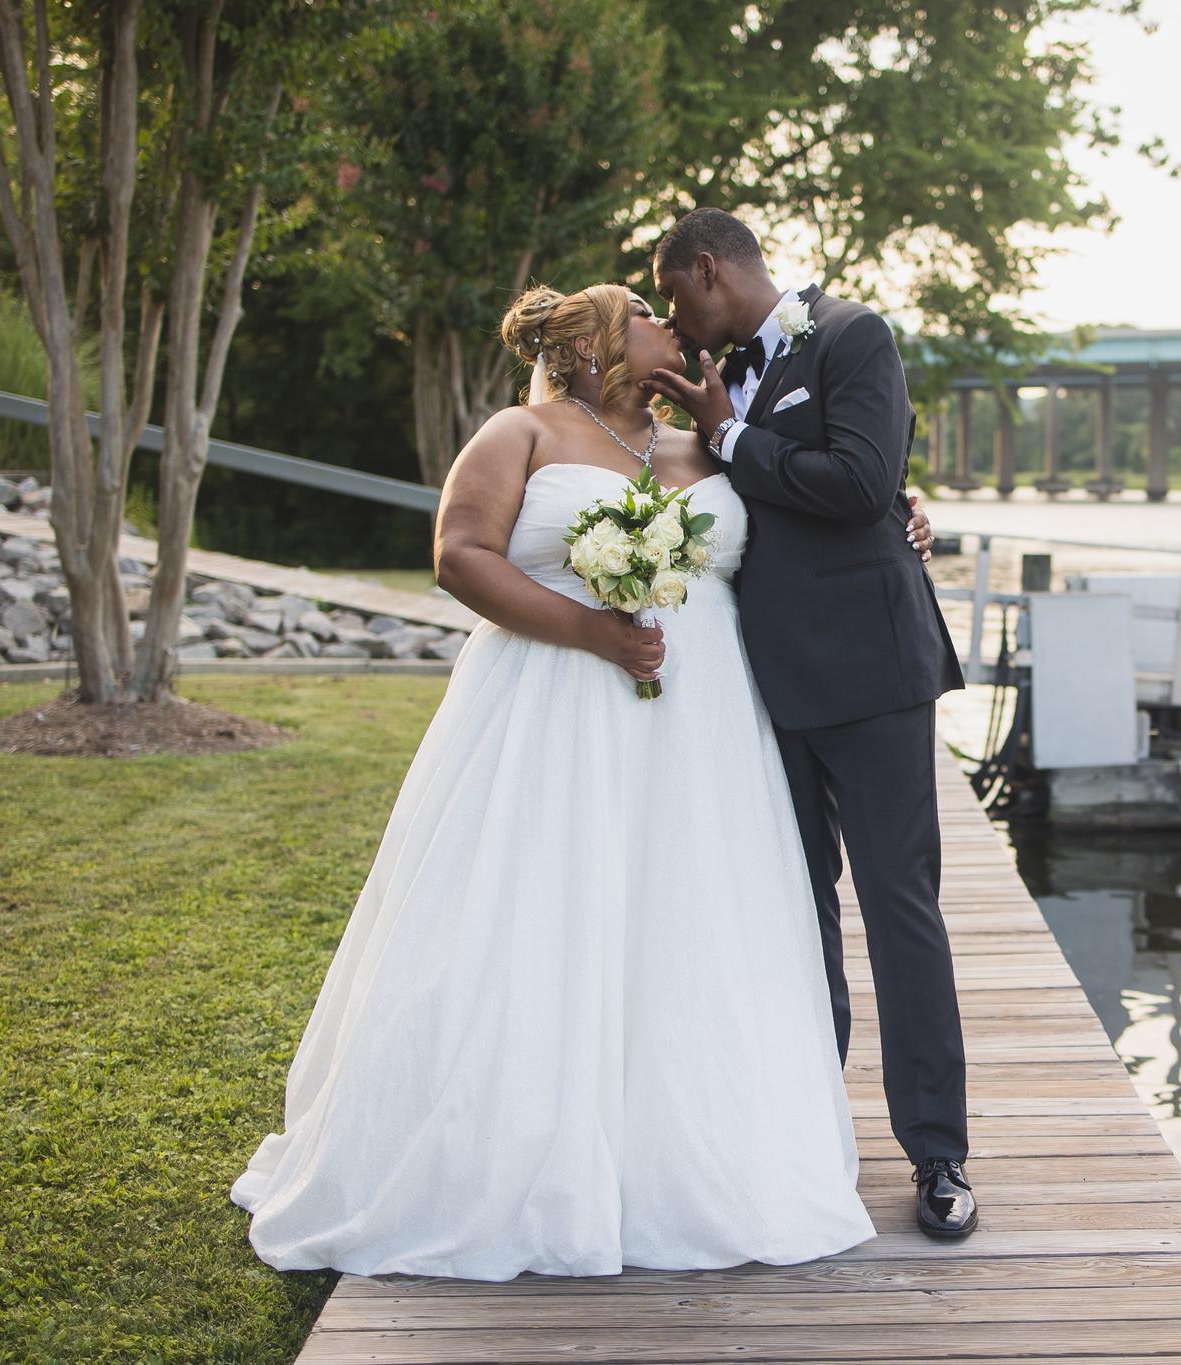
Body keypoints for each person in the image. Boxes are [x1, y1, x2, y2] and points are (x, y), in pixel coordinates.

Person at [229, 282, 938, 1279]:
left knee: (691, 926)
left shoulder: (707, 444)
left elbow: (820, 503)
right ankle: (516, 1153)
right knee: (542, 917)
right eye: (650, 316)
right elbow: (458, 555)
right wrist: (591, 633)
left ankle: (696, 1153)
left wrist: (902, 506)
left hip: (706, 737)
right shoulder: (519, 433)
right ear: (606, 341)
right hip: (550, 711)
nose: (673, 327)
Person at [645, 208, 975, 1238]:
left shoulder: (851, 336)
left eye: (672, 296)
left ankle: (938, 1156)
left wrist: (734, 435)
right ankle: (807, 1138)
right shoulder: (713, 380)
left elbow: (861, 480)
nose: (670, 318)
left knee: (898, 910)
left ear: (707, 271)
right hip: (764, 687)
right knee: (797, 916)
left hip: (873, 678)